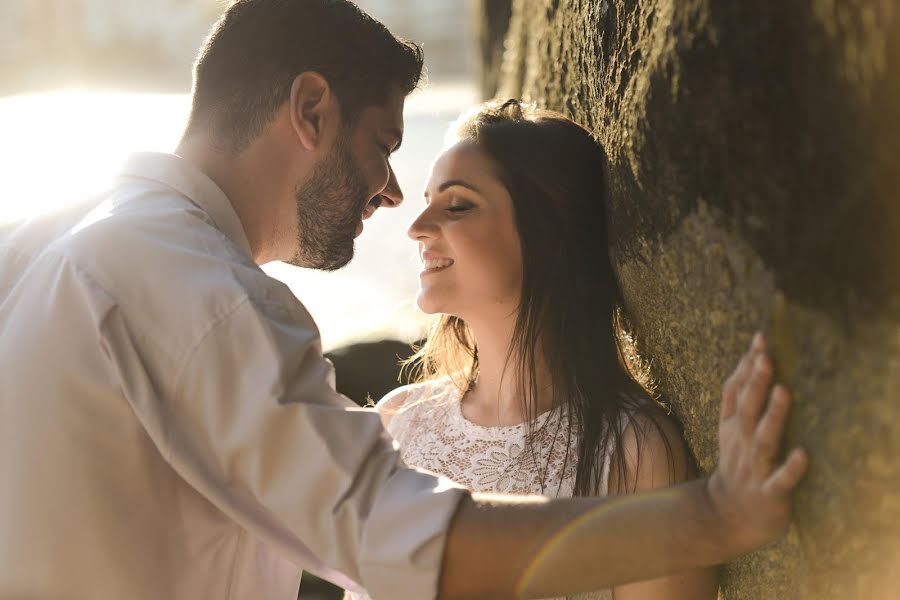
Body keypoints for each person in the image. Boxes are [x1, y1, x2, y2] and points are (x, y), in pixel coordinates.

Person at [0, 1, 808, 599]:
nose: (392, 197)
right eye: (383, 144)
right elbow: (399, 541)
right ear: (310, 110)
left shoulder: (40, 241)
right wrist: (718, 516)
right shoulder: (205, 295)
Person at [352, 99, 723, 600]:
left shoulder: (634, 454)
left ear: (547, 235)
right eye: (427, 200)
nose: (418, 227)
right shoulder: (396, 423)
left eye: (457, 205)